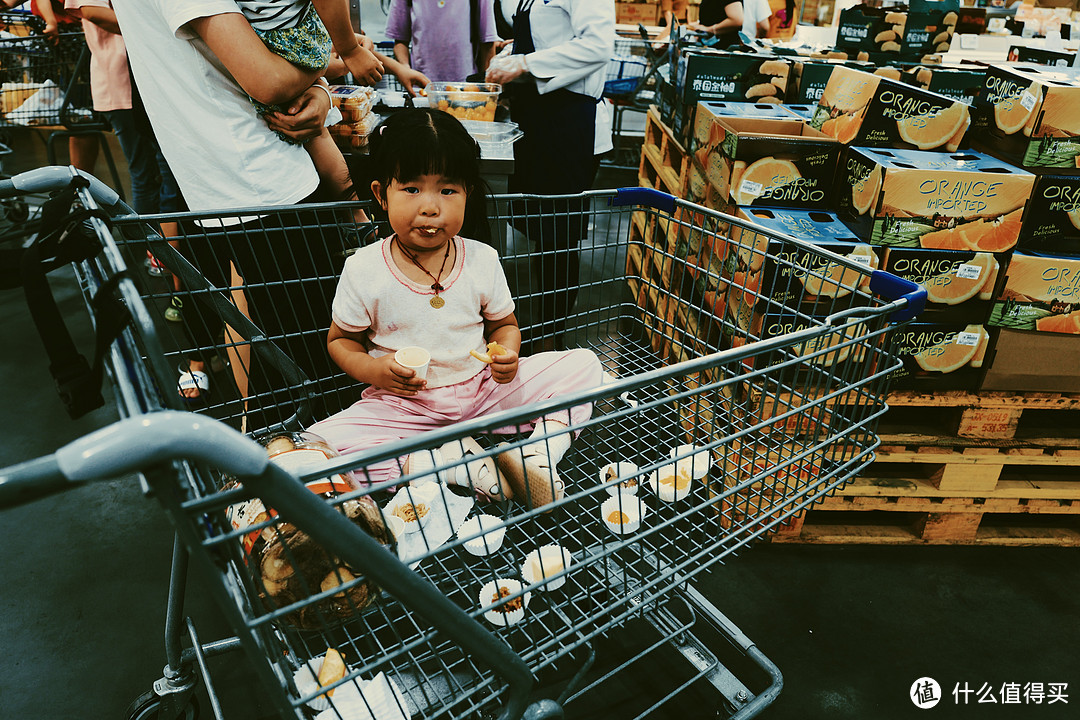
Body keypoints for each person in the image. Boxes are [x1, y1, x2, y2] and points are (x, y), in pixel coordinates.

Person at [111, 0, 418, 424]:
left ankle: (270, 445)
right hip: (263, 178)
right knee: (315, 361)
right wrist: (331, 60)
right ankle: (305, 460)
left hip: (249, 172)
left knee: (276, 347)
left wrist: (320, 88)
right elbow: (270, 80)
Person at [309, 109, 604, 510]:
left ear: (468, 193)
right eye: (412, 189)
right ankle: (457, 463)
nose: (430, 207)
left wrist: (507, 352)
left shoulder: (481, 259)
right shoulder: (364, 268)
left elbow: (505, 325)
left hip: (484, 389)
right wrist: (373, 371)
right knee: (317, 448)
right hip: (404, 403)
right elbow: (342, 341)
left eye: (448, 191)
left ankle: (538, 455)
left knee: (585, 365)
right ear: (381, 194)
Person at [485, 0, 614, 354]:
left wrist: (526, 62)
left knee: (558, 237)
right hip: (537, 120)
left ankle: (551, 336)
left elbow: (599, 46)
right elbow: (552, 37)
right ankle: (539, 324)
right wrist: (514, 52)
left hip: (570, 125)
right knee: (541, 229)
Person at [233, 0, 389, 206]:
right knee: (316, 133)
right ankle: (355, 215)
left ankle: (355, 214)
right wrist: (350, 50)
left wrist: (350, 51)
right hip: (285, 37)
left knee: (314, 132)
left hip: (265, 40)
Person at [384, 0, 499, 83]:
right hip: (421, 88)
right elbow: (400, 42)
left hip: (465, 86)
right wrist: (405, 69)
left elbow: (488, 42)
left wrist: (487, 89)